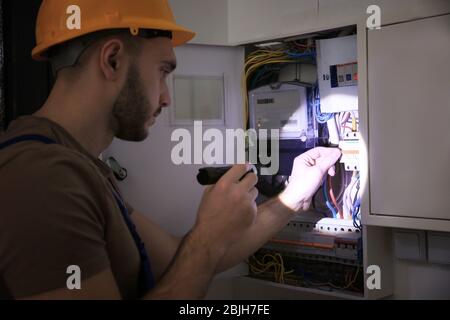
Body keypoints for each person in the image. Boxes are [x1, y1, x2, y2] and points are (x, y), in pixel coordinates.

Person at [0, 0, 341, 300]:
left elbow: (186, 259)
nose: (165, 97)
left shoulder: (78, 168)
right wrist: (207, 236)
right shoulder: (44, 180)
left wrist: (291, 198)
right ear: (113, 60)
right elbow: (202, 251)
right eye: (162, 72)